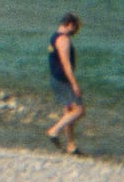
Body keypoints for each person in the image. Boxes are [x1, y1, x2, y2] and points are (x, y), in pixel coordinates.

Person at [45, 12, 85, 154]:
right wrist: (74, 84)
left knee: (68, 112)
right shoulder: (63, 39)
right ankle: (54, 130)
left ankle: (71, 145)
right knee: (79, 110)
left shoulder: (54, 37)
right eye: (76, 28)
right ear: (70, 25)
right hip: (63, 80)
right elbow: (65, 63)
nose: (76, 31)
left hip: (55, 79)